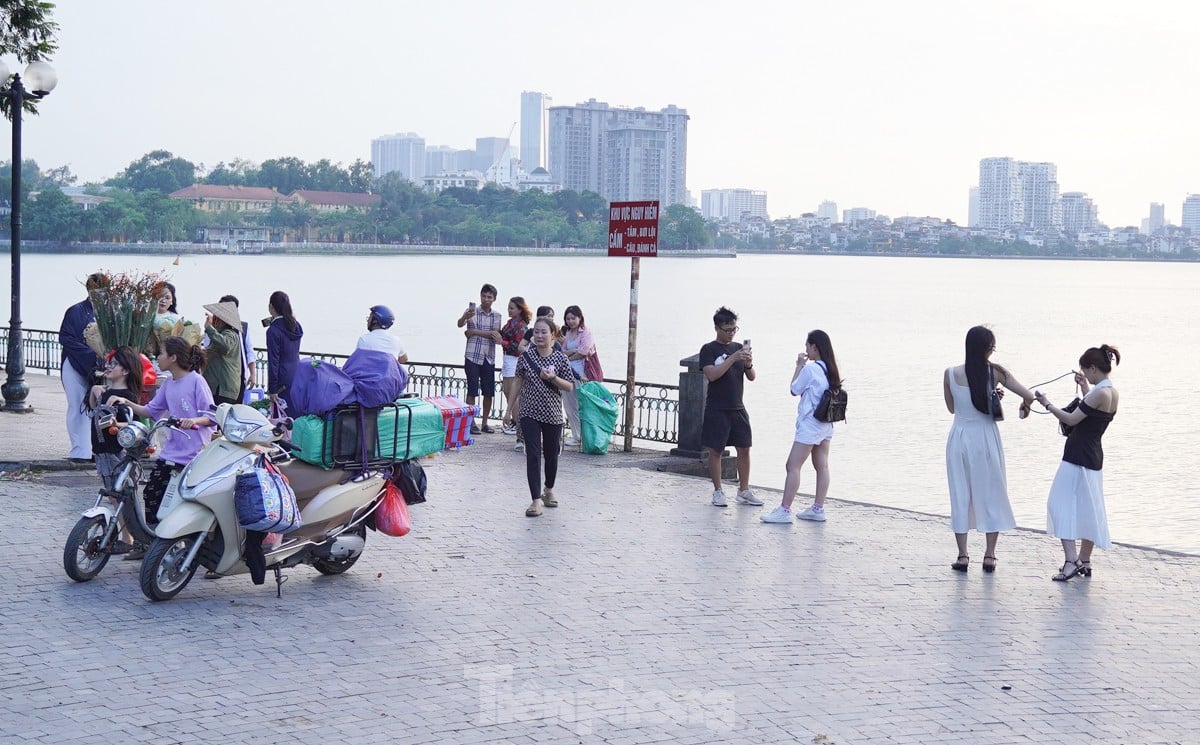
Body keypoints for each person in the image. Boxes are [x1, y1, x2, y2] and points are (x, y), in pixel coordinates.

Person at [107, 337, 216, 561]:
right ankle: (150, 545)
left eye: (162, 353)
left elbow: (213, 416)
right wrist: (125, 402)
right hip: (170, 452)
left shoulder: (196, 381)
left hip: (193, 455)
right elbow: (151, 410)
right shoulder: (168, 383)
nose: (158, 358)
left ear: (174, 357)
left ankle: (188, 547)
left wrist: (192, 419)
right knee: (151, 494)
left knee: (182, 503)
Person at [943, 325, 1036, 573]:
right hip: (984, 437)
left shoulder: (950, 373)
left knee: (960, 495)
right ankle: (989, 555)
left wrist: (987, 397)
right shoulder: (995, 373)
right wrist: (1022, 409)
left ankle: (963, 556)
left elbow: (952, 409)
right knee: (991, 493)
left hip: (959, 438)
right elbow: (1028, 395)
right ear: (989, 349)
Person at [1035, 345, 1121, 582]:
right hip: (1094, 455)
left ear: (1093, 368)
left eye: (1087, 371)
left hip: (1076, 455)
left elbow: (1072, 418)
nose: (1087, 376)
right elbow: (1092, 414)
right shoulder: (1111, 393)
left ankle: (1071, 560)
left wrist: (1047, 404)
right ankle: (1085, 560)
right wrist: (1085, 387)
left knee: (1058, 503)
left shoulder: (1099, 394)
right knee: (1089, 508)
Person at [762, 330, 841, 523]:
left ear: (814, 347)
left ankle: (785, 510)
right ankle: (818, 508)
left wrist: (799, 366)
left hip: (810, 425)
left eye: (807, 345)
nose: (806, 349)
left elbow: (794, 389)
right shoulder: (831, 369)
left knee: (792, 465)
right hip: (826, 424)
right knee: (822, 466)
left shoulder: (810, 369)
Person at [512, 316, 575, 517]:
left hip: (553, 414)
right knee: (532, 454)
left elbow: (570, 386)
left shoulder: (560, 358)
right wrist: (508, 410)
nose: (539, 335)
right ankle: (535, 500)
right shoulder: (525, 358)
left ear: (553, 336)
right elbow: (517, 382)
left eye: (543, 332)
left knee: (551, 455)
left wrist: (553, 378)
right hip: (529, 411)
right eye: (536, 332)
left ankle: (548, 489)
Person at [700, 306, 760, 507]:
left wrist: (748, 363)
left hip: (737, 406)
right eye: (728, 330)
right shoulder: (708, 349)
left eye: (734, 329)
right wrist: (732, 359)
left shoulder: (738, 348)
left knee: (744, 448)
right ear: (717, 328)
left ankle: (744, 490)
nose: (732, 333)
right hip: (717, 408)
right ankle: (718, 491)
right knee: (715, 450)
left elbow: (751, 377)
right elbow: (712, 375)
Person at [88, 346, 144, 553]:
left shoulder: (125, 396)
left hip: (116, 452)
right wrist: (94, 392)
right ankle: (128, 538)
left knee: (122, 495)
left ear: (126, 371)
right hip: (101, 451)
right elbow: (94, 410)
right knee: (114, 495)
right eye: (109, 363)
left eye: (115, 364)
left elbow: (135, 424)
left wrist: (116, 424)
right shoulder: (105, 391)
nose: (109, 367)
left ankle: (131, 538)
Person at [59, 273, 104, 463]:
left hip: (101, 366)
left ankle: (98, 449)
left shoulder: (111, 313)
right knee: (77, 405)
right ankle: (80, 450)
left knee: (99, 408)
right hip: (74, 364)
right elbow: (66, 337)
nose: (99, 295)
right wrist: (90, 354)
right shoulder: (75, 311)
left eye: (103, 291)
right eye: (96, 291)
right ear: (89, 290)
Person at [456, 283, 502, 434]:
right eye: (484, 296)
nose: (486, 299)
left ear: (494, 299)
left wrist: (474, 331)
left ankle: (485, 423)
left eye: (489, 297)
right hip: (472, 355)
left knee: (488, 392)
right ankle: (471, 422)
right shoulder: (472, 311)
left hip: (488, 356)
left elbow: (495, 336)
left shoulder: (497, 316)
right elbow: (460, 325)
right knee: (472, 390)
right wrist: (465, 318)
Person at [202, 300, 245, 406]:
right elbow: (212, 351)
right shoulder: (219, 335)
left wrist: (209, 329)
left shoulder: (230, 334)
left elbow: (226, 345)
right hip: (216, 387)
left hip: (223, 388)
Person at [499, 296, 532, 435]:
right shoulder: (511, 323)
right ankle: (515, 421)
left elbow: (519, 346)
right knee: (507, 391)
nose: (509, 310)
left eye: (512, 308)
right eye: (508, 307)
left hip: (515, 359)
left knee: (512, 393)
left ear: (520, 309)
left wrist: (502, 342)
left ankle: (518, 424)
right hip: (508, 358)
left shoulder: (521, 326)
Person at [265, 290, 304, 405]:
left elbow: (273, 361)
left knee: (281, 418)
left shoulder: (273, 331)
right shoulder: (296, 326)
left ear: (271, 307)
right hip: (297, 374)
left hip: (281, 381)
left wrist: (272, 389)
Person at [219, 294, 256, 393]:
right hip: (221, 379)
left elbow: (249, 351)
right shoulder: (214, 329)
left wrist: (253, 374)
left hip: (240, 376)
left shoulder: (243, 327)